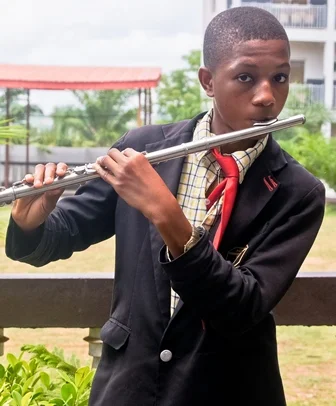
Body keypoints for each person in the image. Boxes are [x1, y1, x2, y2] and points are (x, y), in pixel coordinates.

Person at [5, 7, 325, 406]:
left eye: (280, 77)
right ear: (208, 81)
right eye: (246, 77)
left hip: (231, 389)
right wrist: (33, 223)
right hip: (132, 387)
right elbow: (64, 234)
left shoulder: (297, 192)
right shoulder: (145, 150)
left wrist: (165, 213)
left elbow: (242, 307)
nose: (266, 96)